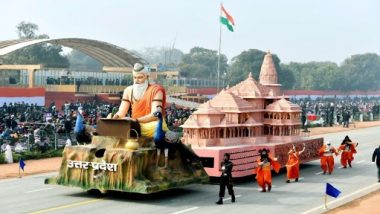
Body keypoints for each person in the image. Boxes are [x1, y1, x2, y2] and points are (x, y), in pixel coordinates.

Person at [112, 63, 168, 138]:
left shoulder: (156, 90)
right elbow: (121, 112)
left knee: (157, 127)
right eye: (134, 77)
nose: (136, 80)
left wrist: (135, 120)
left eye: (140, 77)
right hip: (135, 123)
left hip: (151, 124)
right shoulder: (128, 90)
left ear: (147, 77)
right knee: (116, 124)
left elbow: (155, 115)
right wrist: (116, 117)